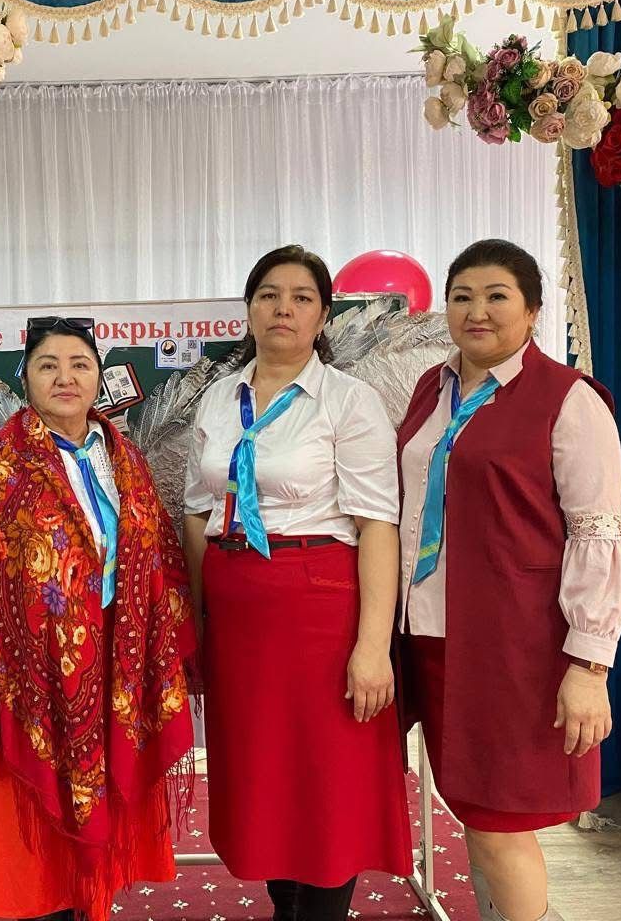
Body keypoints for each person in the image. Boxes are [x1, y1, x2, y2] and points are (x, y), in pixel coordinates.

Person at [0, 316, 196, 921]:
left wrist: (169, 660)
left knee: (98, 843)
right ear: (26, 377)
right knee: (31, 856)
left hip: (114, 668)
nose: (65, 377)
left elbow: (159, 558)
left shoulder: (124, 458)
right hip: (27, 677)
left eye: (80, 364)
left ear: (99, 376)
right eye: (48, 365)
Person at [396, 239, 621, 921]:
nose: (477, 311)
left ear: (531, 310)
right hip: (430, 635)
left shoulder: (569, 399)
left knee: (499, 820)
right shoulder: (432, 388)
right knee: (471, 806)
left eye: (497, 296)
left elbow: (597, 535)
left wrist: (590, 664)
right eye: (462, 296)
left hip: (515, 645)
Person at [183, 245, 413, 921]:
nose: (283, 308)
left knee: (326, 783)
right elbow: (196, 513)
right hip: (238, 618)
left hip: (320, 610)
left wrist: (372, 647)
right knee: (265, 782)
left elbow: (377, 526)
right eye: (269, 295)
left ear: (323, 316)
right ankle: (285, 908)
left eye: (302, 297)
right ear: (249, 310)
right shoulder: (219, 399)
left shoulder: (348, 400)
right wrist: (198, 623)